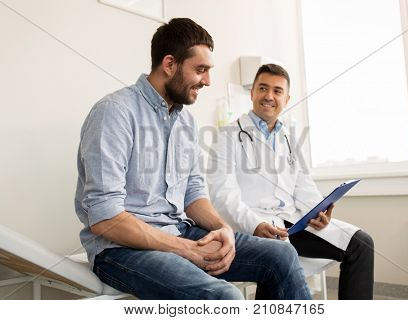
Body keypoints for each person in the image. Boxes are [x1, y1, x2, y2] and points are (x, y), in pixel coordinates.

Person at [74, 19, 311, 300]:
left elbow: (193, 194)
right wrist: (185, 249)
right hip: (120, 249)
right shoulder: (115, 113)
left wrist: (223, 230)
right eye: (200, 70)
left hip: (179, 231)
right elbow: (106, 219)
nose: (208, 81)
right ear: (170, 64)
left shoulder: (185, 121)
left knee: (281, 254)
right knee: (226, 298)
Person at [207, 64, 374, 299]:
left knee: (361, 243)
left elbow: (304, 186)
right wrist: (254, 224)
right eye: (263, 88)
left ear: (287, 98)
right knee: (277, 259)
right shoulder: (226, 136)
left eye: (277, 91)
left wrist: (318, 210)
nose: (269, 96)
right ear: (252, 92)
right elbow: (223, 196)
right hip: (252, 225)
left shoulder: (289, 137)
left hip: (293, 223)